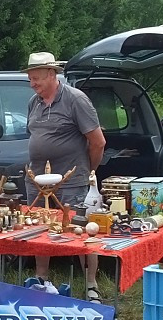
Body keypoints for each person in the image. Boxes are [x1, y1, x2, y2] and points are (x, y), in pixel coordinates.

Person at [23, 52, 106, 302]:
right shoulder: (33, 103)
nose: (33, 83)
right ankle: (41, 280)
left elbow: (98, 142)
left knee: (82, 230)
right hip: (37, 180)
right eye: (30, 78)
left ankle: (91, 284)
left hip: (72, 179)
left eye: (36, 78)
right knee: (40, 228)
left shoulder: (75, 100)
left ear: (52, 74)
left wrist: (86, 171)